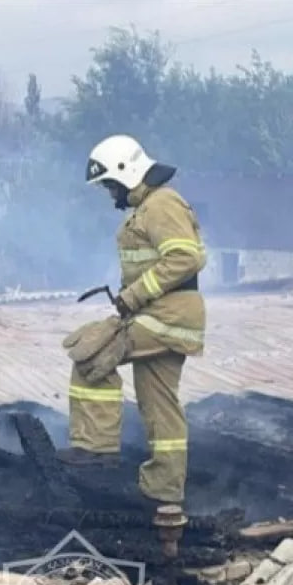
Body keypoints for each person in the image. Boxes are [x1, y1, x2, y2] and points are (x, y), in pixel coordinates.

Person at [57, 134, 207, 513]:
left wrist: (134, 295)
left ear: (126, 172)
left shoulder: (162, 204)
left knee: (93, 355)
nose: (110, 193)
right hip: (166, 317)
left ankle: (96, 448)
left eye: (110, 184)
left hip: (167, 317)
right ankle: (163, 491)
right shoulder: (148, 207)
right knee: (159, 405)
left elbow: (184, 259)